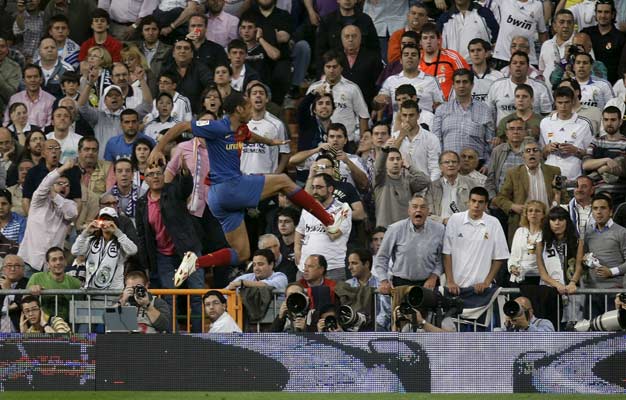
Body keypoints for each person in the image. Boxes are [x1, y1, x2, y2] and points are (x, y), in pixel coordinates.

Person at [150, 93, 350, 287]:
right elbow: (182, 125)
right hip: (229, 188)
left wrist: (271, 142)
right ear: (238, 109)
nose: (250, 108)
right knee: (283, 180)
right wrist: (158, 148)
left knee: (242, 253)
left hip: (218, 200)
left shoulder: (241, 129)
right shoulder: (218, 126)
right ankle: (329, 222)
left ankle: (196, 263)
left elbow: (249, 136)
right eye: (246, 106)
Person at [493, 138, 568, 240]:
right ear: (523, 156)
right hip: (522, 223)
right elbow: (500, 198)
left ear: (540, 154)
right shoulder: (513, 173)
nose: (531, 153)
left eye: (535, 150)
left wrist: (555, 204)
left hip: (549, 221)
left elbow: (564, 198)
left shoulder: (554, 171)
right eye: (528, 151)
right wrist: (513, 206)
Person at [443, 187, 510, 295]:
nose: (476, 205)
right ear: (468, 202)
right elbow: (446, 253)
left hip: (481, 290)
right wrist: (450, 281)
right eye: (473, 201)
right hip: (455, 287)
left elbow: (500, 257)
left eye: (480, 202)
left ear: (486, 204)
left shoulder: (494, 223)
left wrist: (486, 283)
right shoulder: (455, 220)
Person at [374, 195, 445, 296]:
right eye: (415, 207)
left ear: (428, 211)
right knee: (400, 312)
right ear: (409, 211)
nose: (418, 210)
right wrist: (384, 280)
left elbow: (442, 258)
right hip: (401, 284)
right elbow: (382, 257)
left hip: (429, 284)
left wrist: (434, 277)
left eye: (422, 207)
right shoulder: (395, 229)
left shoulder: (440, 229)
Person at [18, 162, 78, 274]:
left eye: (67, 185)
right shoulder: (38, 201)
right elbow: (44, 184)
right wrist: (63, 168)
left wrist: (55, 196)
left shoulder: (70, 205)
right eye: (59, 183)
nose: (63, 186)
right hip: (28, 261)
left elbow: (72, 214)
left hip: (52, 265)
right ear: (51, 185)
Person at [295, 174, 352, 281]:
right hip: (304, 268)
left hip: (332, 269)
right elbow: (299, 230)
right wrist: (297, 250)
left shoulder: (343, 209)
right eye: (313, 187)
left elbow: (333, 235)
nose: (315, 191)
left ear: (330, 189)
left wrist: (320, 211)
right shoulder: (307, 209)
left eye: (319, 187)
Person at [306, 50, 369, 144]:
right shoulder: (314, 88)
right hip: (319, 142)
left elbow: (363, 116)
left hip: (346, 142)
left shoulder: (352, 88)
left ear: (341, 68)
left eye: (335, 67)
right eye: (328, 67)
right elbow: (306, 114)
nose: (331, 70)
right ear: (324, 68)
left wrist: (362, 143)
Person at [433, 69, 494, 165]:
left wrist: (487, 164)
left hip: (477, 167)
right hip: (449, 166)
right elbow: (436, 141)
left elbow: (490, 142)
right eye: (458, 82)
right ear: (453, 85)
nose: (461, 85)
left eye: (465, 82)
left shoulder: (484, 109)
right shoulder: (442, 110)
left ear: (472, 85)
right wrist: (440, 165)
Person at [536, 206, 584, 327]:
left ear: (567, 221)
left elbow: (579, 266)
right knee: (551, 327)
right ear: (549, 222)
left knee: (573, 329)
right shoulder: (541, 243)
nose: (557, 223)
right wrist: (557, 285)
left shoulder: (578, 241)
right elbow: (542, 273)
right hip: (550, 291)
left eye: (561, 219)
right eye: (553, 219)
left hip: (572, 290)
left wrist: (572, 282)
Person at [71, 207, 138, 291]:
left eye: (109, 220)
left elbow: (133, 250)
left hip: (113, 292)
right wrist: (86, 232)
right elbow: (75, 251)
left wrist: (117, 232)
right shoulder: (91, 240)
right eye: (102, 220)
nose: (105, 223)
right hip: (91, 291)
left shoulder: (121, 242)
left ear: (115, 222)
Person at [583, 193, 626, 318]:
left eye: (603, 208)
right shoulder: (588, 233)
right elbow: (583, 259)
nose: (599, 212)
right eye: (595, 208)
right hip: (592, 293)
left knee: (615, 335)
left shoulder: (622, 232)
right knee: (592, 335)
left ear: (611, 211)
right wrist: (584, 260)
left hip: (615, 293)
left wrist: (611, 272)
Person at [540, 87, 593, 182]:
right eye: (560, 103)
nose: (563, 106)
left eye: (566, 102)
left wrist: (575, 150)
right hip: (550, 177)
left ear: (572, 102)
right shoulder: (545, 122)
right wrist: (547, 148)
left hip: (574, 177)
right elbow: (541, 153)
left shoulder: (584, 124)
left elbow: (591, 153)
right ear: (555, 103)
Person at [375, 43, 444, 116]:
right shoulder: (391, 80)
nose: (410, 57)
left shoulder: (431, 81)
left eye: (413, 55)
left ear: (419, 60)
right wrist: (378, 101)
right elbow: (378, 106)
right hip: (398, 125)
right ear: (401, 60)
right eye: (406, 55)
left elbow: (441, 107)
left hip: (425, 125)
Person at [487, 51, 553, 125]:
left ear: (528, 67)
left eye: (522, 63)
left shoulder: (540, 87)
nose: (518, 65)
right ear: (509, 66)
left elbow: (547, 115)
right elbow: (490, 115)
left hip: (533, 134)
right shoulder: (497, 86)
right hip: (503, 134)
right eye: (515, 63)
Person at [374, 144, 429, 227]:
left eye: (398, 159)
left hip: (404, 230)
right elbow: (378, 169)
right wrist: (384, 151)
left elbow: (425, 181)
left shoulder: (408, 180)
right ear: (385, 163)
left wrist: (409, 166)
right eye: (391, 159)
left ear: (402, 162)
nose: (395, 162)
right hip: (385, 230)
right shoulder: (380, 180)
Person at [26, 247, 82, 321]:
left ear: (65, 262)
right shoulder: (37, 277)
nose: (58, 262)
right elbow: (25, 301)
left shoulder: (75, 283)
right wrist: (31, 290)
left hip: (66, 326)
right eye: (54, 260)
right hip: (42, 325)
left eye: (61, 259)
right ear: (48, 264)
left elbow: (80, 310)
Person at [424, 151, 479, 225]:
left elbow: (479, 209)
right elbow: (427, 213)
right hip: (440, 227)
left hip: (465, 226)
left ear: (459, 165)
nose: (451, 164)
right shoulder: (432, 187)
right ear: (440, 166)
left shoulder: (471, 184)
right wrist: (442, 221)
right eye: (447, 162)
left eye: (454, 162)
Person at [418, 23, 470, 100]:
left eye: (432, 37)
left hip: (450, 106)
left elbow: (468, 80)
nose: (429, 41)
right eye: (425, 38)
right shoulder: (415, 60)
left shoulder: (452, 57)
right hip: (424, 106)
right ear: (420, 42)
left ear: (439, 40)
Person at [393, 99, 440, 181]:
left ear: (418, 116)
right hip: (401, 186)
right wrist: (401, 137)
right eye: (404, 115)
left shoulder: (431, 138)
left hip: (425, 186)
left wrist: (429, 189)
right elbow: (389, 159)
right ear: (401, 116)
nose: (407, 119)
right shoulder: (394, 136)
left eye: (411, 115)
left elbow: (435, 168)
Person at [581, 0, 625, 83]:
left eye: (607, 12)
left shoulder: (621, 37)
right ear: (596, 14)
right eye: (600, 12)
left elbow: (622, 67)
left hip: (612, 85)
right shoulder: (586, 33)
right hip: (587, 84)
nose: (603, 15)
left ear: (613, 15)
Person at [508, 200, 547, 285]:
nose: (533, 213)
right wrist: (512, 267)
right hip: (518, 277)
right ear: (526, 214)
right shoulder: (520, 231)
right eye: (530, 210)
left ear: (543, 215)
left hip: (538, 278)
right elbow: (513, 255)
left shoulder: (546, 234)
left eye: (537, 211)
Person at [4, 64, 55, 128]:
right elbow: (6, 122)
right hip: (17, 135)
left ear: (41, 79)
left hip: (41, 136)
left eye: (35, 76)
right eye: (29, 77)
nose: (32, 80)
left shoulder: (51, 100)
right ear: (23, 81)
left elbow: (49, 126)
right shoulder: (14, 99)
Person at [538, 9, 575, 83]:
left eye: (569, 22)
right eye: (562, 22)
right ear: (554, 26)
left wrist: (565, 59)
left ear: (573, 26)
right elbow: (541, 70)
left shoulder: (578, 45)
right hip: (547, 91)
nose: (566, 26)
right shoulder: (546, 45)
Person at [467, 39, 503, 103]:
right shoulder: (464, 77)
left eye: (479, 50)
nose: (476, 54)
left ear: (486, 53)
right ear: (469, 55)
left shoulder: (498, 76)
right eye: (472, 51)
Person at [0, 255, 28, 332]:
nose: (12, 269)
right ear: (2, 269)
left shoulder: (28, 284)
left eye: (17, 266)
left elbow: (22, 304)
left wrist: (8, 291)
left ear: (23, 269)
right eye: (9, 265)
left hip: (19, 330)